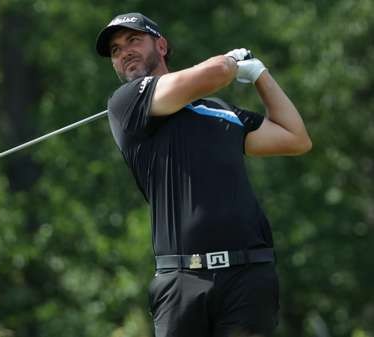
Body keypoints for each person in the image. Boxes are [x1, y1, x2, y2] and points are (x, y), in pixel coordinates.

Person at [95, 12, 312, 337]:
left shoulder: (218, 111)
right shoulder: (126, 104)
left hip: (248, 275)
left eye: (133, 40)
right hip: (182, 281)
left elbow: (295, 138)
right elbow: (220, 71)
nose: (123, 51)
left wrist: (260, 75)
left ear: (162, 46)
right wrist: (231, 63)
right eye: (115, 50)